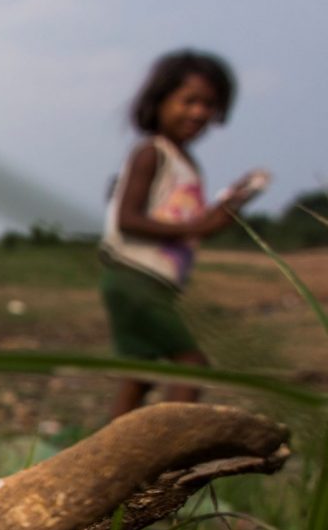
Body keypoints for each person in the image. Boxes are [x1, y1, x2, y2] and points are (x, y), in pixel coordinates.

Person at [99, 49, 268, 419]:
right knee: (190, 363)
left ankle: (108, 461)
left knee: (140, 376)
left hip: (154, 282)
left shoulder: (187, 162)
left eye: (209, 104)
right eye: (188, 101)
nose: (198, 112)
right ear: (159, 101)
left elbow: (187, 225)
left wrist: (224, 210)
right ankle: (165, 454)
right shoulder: (152, 153)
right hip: (134, 276)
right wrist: (196, 227)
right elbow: (128, 218)